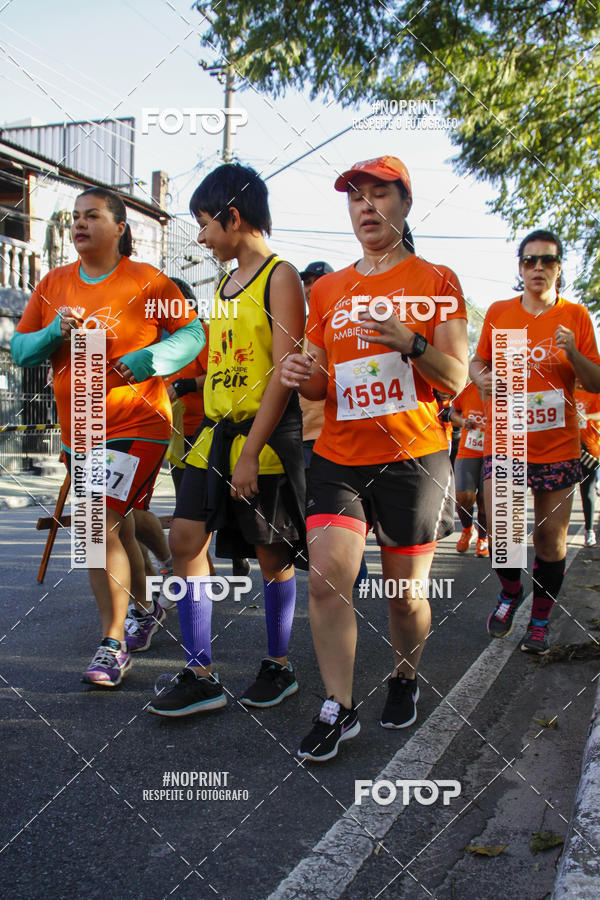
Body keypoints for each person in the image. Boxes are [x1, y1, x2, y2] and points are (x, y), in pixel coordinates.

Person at [281, 155, 468, 761]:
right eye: (355, 197)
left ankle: (405, 675)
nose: (366, 206)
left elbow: (457, 378)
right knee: (327, 577)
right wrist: (301, 372)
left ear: (405, 204)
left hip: (413, 456)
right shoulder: (331, 289)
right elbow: (315, 384)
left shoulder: (438, 280)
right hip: (339, 455)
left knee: (405, 597)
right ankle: (338, 706)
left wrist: (409, 342)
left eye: (378, 195)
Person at [11, 187, 205, 686]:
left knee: (98, 525)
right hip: (81, 430)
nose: (79, 224)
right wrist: (54, 332)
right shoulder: (53, 284)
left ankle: (112, 644)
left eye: (92, 215)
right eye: (75, 217)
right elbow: (20, 349)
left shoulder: (148, 281)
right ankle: (143, 608)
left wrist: (150, 360)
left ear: (120, 228)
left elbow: (194, 335)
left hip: (137, 424)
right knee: (113, 528)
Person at [148, 163, 307, 717]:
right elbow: (224, 360)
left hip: (261, 442)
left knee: (271, 555)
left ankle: (279, 665)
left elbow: (285, 373)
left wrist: (247, 452)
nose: (201, 236)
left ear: (233, 217)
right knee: (186, 542)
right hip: (212, 438)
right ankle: (200, 672)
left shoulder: (281, 276)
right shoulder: (222, 282)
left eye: (204, 224)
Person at [471, 229, 600, 654]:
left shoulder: (576, 316)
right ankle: (510, 593)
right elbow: (478, 360)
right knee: (502, 531)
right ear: (520, 267)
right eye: (530, 261)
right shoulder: (500, 312)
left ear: (560, 266)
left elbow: (596, 380)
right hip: (505, 436)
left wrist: (573, 354)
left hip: (557, 444)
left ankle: (540, 620)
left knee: (550, 541)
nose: (538, 268)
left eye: (547, 260)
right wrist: (479, 376)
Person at [451, 381, 489, 556]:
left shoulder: (509, 388)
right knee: (462, 496)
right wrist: (462, 421)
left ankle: (483, 538)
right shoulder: (466, 390)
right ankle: (468, 529)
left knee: (484, 498)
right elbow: (453, 412)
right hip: (468, 450)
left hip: (495, 452)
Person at [574, 384, 600, 546]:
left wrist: (586, 416)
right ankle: (555, 531)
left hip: (589, 447)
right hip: (568, 445)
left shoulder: (595, 391)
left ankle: (589, 530)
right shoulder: (567, 390)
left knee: (587, 488)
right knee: (564, 489)